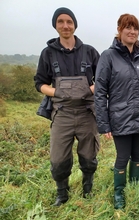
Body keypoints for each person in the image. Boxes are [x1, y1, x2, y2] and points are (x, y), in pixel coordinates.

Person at [34, 7, 100, 206]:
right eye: (61, 22)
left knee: (89, 155)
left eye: (69, 21)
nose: (65, 25)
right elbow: (40, 83)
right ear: (56, 26)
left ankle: (87, 188)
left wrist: (90, 89)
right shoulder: (48, 54)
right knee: (58, 158)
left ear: (75, 25)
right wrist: (57, 92)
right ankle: (62, 194)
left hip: (87, 112)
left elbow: (103, 79)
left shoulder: (89, 52)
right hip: (61, 113)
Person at [94, 13, 139, 210]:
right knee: (122, 157)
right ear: (119, 30)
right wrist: (104, 123)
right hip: (120, 119)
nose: (132, 31)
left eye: (135, 28)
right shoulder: (108, 56)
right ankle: (119, 192)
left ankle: (135, 187)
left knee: (137, 154)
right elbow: (100, 91)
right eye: (127, 27)